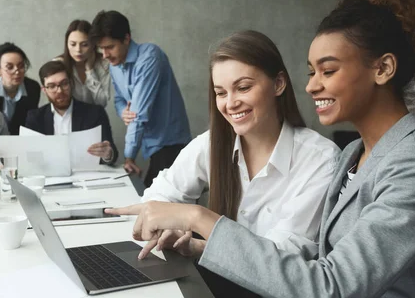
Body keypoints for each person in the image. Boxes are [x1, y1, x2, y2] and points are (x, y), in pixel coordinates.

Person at [107, 0, 415, 297]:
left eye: (328, 70)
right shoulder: (355, 152)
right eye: (311, 72)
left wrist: (199, 218)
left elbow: (334, 286)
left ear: (383, 69)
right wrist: (201, 246)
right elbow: (317, 255)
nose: (311, 85)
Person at [140, 30, 340, 263]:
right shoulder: (213, 142)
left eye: (243, 88)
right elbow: (157, 196)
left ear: (278, 84)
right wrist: (169, 229)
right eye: (221, 93)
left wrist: (199, 229)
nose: (231, 103)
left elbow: (282, 256)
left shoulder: (321, 159)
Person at [90, 10, 192, 187]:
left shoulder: (150, 57)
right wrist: (124, 112)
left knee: (158, 205)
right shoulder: (115, 66)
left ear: (126, 38)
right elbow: (119, 100)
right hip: (152, 147)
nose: (105, 55)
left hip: (171, 146)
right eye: (101, 48)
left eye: (110, 47)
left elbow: (138, 115)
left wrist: (129, 157)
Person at [25, 61, 118, 165]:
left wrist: (108, 154)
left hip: (87, 177)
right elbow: (29, 158)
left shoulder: (95, 113)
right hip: (50, 178)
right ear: (44, 90)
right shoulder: (35, 117)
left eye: (64, 83)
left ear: (71, 83)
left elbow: (111, 151)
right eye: (52, 86)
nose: (59, 91)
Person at [53, 20, 111, 107]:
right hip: (69, 117)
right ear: (67, 44)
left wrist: (90, 70)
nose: (78, 50)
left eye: (84, 45)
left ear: (93, 44)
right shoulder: (58, 64)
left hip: (95, 117)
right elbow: (58, 101)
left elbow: (102, 103)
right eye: (73, 44)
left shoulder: (104, 64)